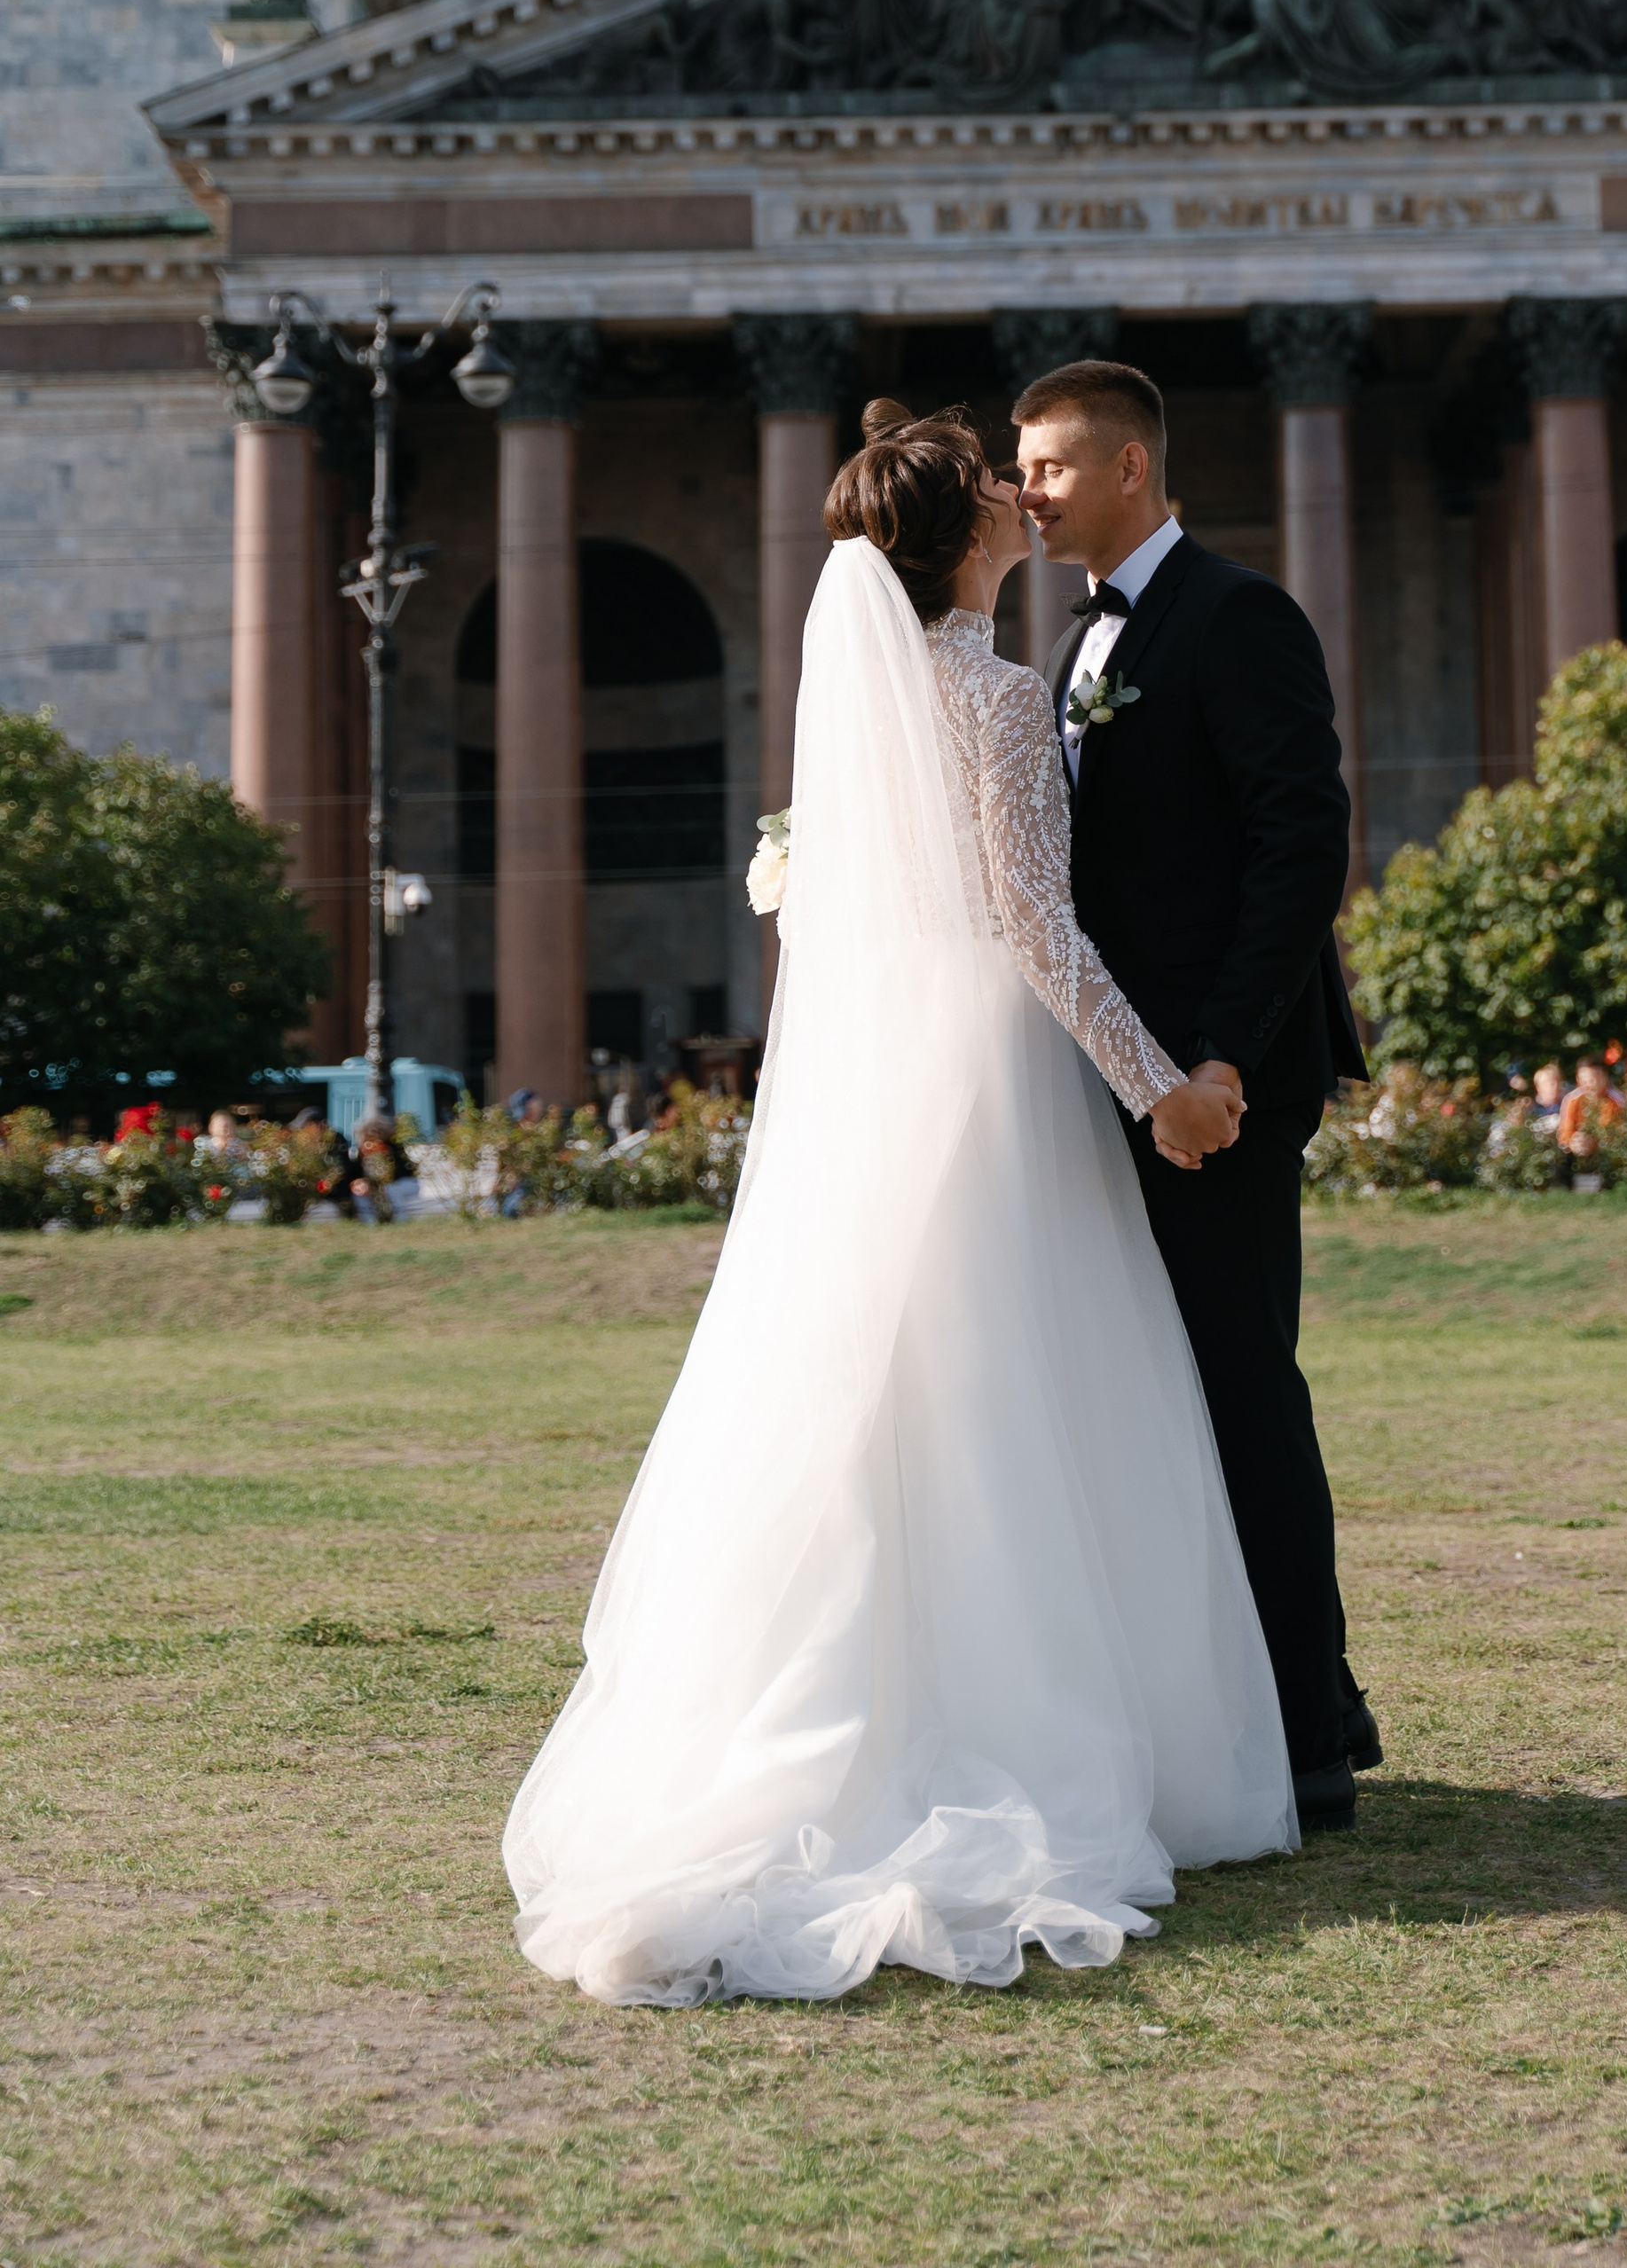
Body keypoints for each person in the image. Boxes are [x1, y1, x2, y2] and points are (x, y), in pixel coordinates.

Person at [506, 402, 1294, 2008]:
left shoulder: (875, 706)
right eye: (1000, 488)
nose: (1025, 497)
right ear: (968, 542)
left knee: (890, 1402)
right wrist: (1167, 1085)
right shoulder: (996, 697)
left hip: (890, 1086)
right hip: (995, 1085)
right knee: (1012, 1396)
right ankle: (1016, 1732)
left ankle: (852, 1709)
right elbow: (1034, 932)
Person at [1012, 358, 1376, 1835]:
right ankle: (1194, 1721)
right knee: (1142, 1410)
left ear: (1130, 470)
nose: (1024, 491)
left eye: (1045, 465)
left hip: (1217, 1093)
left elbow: (1303, 846)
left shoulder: (1238, 618)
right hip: (1112, 1085)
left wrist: (1218, 1058)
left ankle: (1309, 1728)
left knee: (1240, 1394)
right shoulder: (1072, 653)